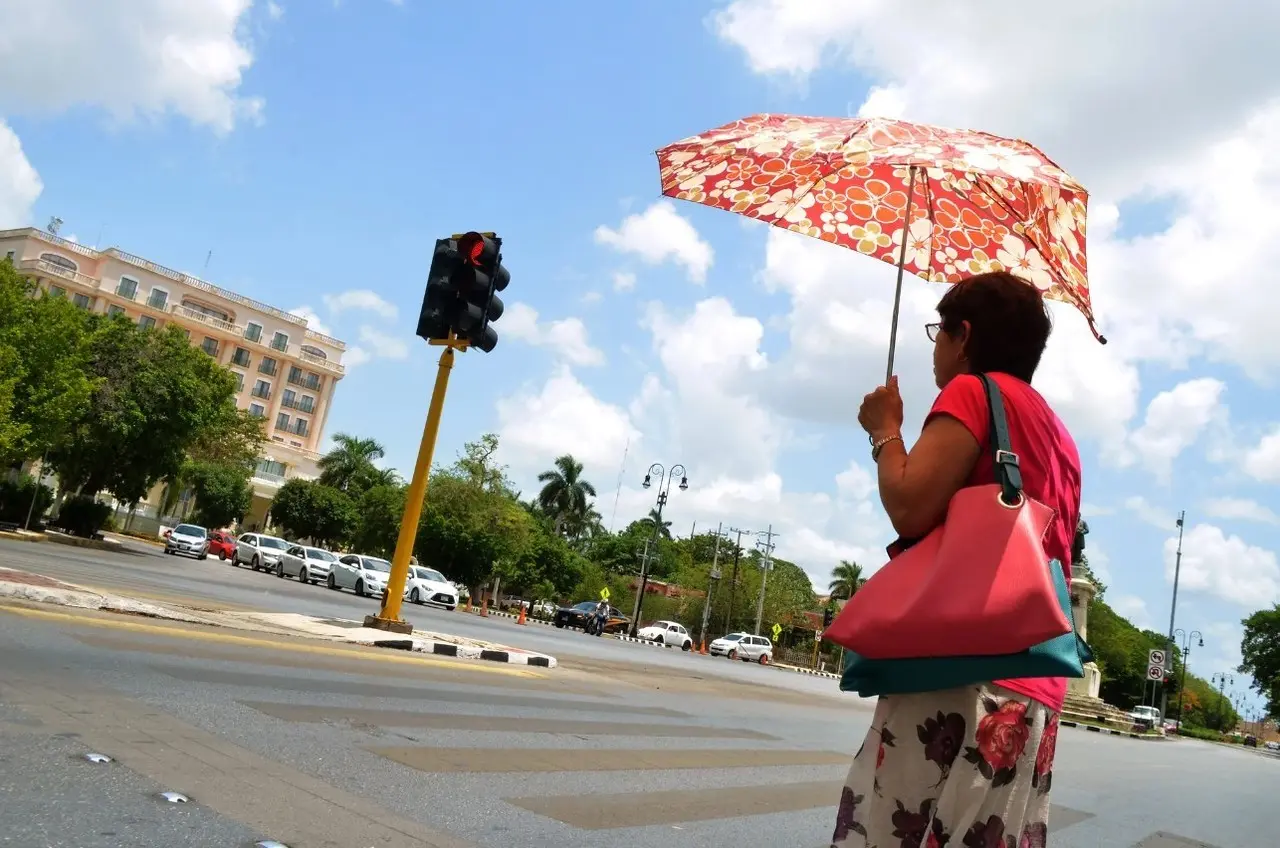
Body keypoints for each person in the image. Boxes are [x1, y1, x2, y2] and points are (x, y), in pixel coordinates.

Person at [831, 271, 1081, 848]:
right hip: (1034, 694)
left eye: (937, 335)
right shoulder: (1059, 435)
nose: (936, 352)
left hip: (959, 678)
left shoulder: (973, 392)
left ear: (963, 335)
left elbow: (911, 506)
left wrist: (885, 431)